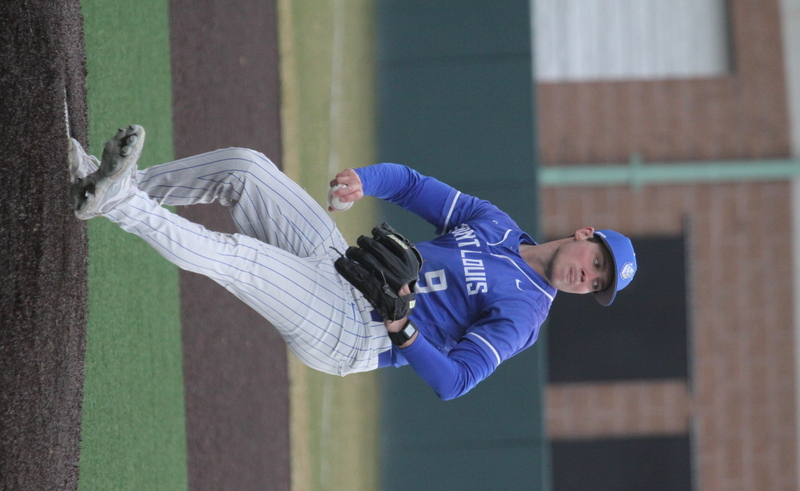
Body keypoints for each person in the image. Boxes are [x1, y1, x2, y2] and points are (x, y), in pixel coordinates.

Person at [69, 125, 637, 400]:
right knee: (245, 170)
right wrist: (364, 181)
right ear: (585, 235)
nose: (587, 277)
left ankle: (121, 203)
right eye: (597, 261)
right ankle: (108, 181)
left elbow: (456, 381)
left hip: (353, 333)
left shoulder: (524, 316)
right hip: (341, 267)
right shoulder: (496, 225)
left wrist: (402, 328)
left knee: (240, 258)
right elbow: (412, 185)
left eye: (596, 285)